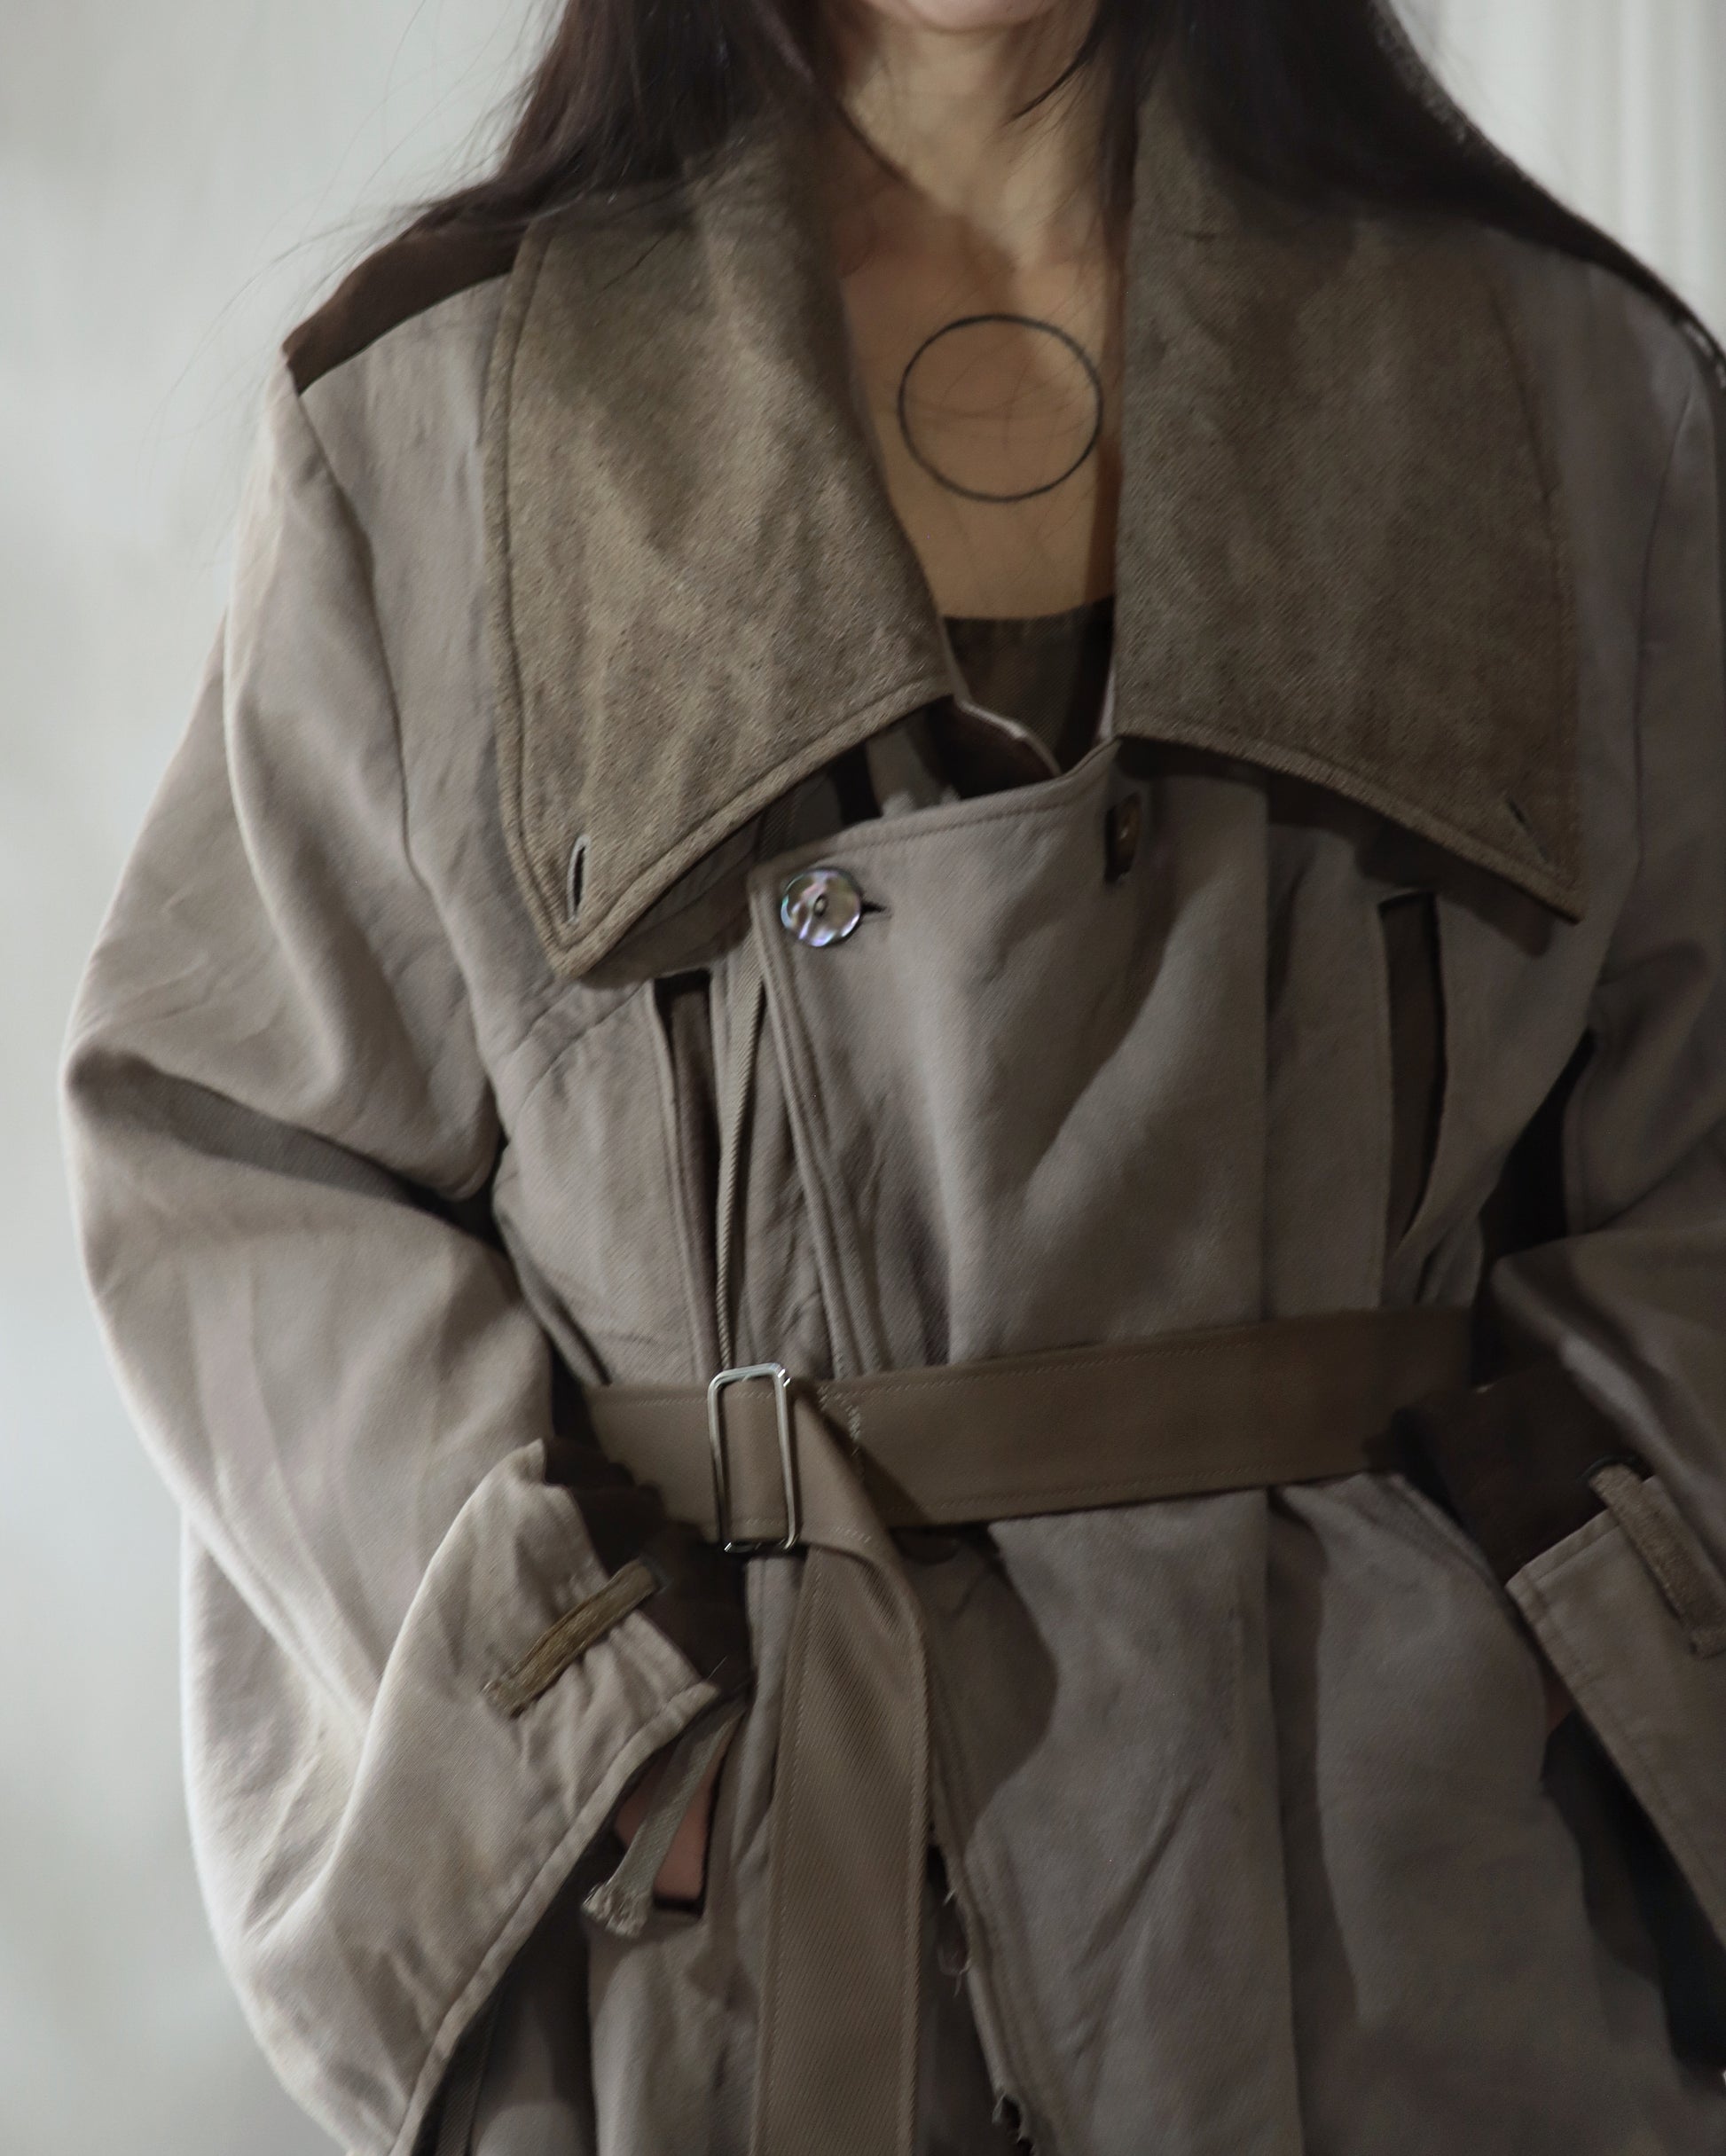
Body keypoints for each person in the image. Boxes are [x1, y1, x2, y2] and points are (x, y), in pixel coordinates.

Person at [61, 0, 1726, 2148]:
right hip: (749, 1929)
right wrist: (598, 1729)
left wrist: (1551, 1651)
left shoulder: (1566, 390)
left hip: (1422, 1949)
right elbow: (236, 1178)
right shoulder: (444, 417)